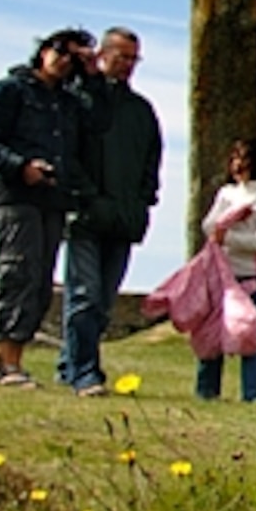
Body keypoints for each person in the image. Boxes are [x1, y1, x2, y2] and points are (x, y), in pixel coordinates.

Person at [0, 30, 93, 388]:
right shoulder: (10, 90)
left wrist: (91, 73)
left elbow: (97, 122)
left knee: (41, 283)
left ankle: (15, 363)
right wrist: (21, 166)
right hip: (15, 196)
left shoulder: (71, 102)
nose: (64, 60)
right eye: (60, 51)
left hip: (53, 200)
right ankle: (6, 364)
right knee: (18, 274)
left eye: (74, 57)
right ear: (43, 51)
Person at [58, 27, 163, 397]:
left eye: (133, 59)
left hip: (124, 218)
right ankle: (85, 373)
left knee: (102, 303)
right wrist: (85, 197)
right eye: (121, 56)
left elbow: (152, 163)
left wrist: (143, 202)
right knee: (84, 295)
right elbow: (68, 154)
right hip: (85, 215)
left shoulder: (142, 111)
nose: (127, 65)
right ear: (102, 54)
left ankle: (69, 363)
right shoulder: (79, 100)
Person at [195, 135, 256, 403]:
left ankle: (252, 391)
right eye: (234, 158)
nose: (237, 165)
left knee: (249, 332)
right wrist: (228, 223)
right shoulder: (227, 194)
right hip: (221, 270)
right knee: (212, 330)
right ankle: (206, 389)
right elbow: (209, 225)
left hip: (252, 273)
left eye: (243, 159)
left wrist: (229, 237)